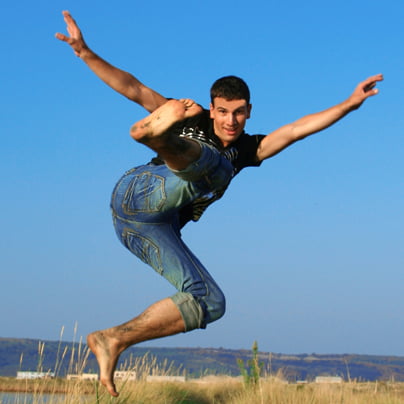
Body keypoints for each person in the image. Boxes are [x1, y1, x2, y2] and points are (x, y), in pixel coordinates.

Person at [56, 10, 383, 397]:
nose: (231, 121)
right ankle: (156, 137)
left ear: (249, 112)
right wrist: (85, 52)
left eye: (239, 113)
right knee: (217, 164)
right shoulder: (191, 118)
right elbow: (133, 88)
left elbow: (296, 129)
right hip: (137, 191)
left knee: (210, 301)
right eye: (223, 112)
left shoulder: (250, 148)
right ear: (212, 109)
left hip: (142, 230)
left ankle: (112, 339)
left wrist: (349, 104)